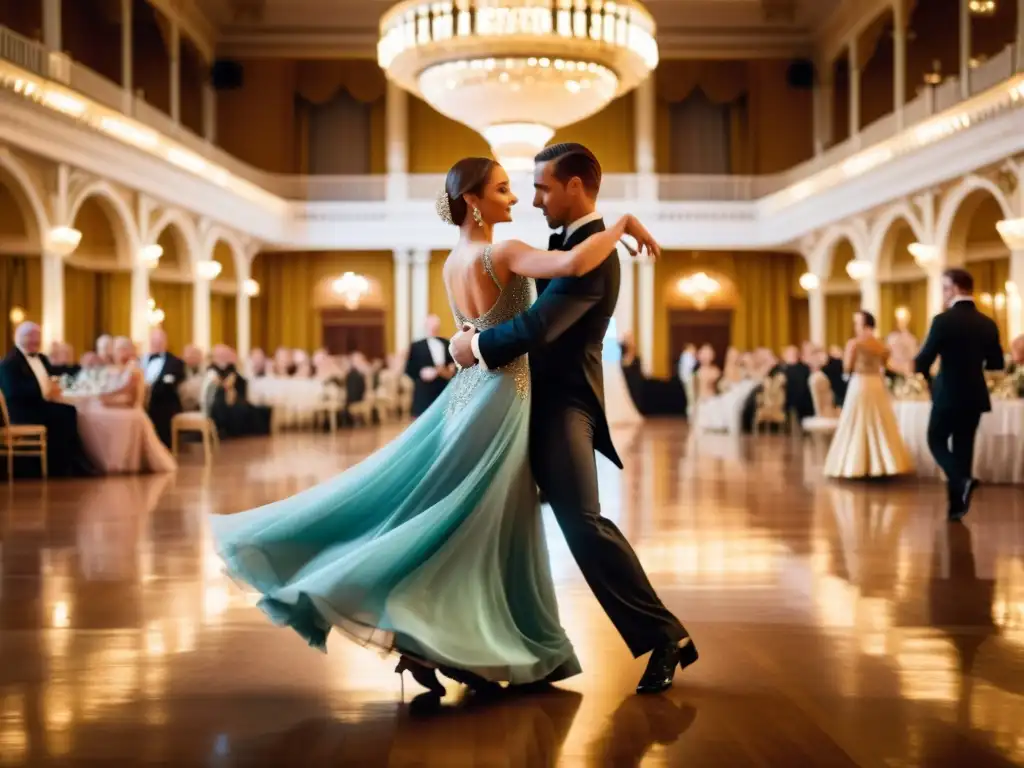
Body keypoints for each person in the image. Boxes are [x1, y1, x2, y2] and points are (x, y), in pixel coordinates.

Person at [210, 154, 661, 699]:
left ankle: (440, 640)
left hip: (471, 393)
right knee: (471, 522)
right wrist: (624, 224)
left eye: (529, 189)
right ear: (473, 200)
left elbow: (495, 327)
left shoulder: (454, 260)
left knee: (458, 516)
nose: (519, 198)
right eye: (504, 189)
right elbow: (557, 286)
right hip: (503, 393)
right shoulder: (508, 251)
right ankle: (445, 639)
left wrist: (469, 343)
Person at [450, 143, 695, 695]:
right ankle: (479, 645)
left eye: (542, 187)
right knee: (488, 520)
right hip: (524, 402)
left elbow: (538, 327)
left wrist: (476, 345)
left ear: (576, 187)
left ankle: (663, 636)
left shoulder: (595, 254)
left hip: (565, 404)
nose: (534, 199)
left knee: (582, 524)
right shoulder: (576, 245)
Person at [914, 268, 1004, 521]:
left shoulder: (942, 321)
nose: (942, 294)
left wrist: (929, 378)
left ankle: (962, 480)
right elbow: (996, 363)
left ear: (954, 288)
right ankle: (956, 508)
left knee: (936, 439)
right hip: (975, 394)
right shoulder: (988, 323)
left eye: (944, 288)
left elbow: (923, 361)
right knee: (964, 447)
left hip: (947, 395)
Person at [823, 310, 913, 479]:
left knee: (855, 421)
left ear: (863, 324)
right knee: (880, 422)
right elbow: (886, 365)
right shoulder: (882, 345)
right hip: (876, 384)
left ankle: (855, 464)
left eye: (857, 323)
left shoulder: (854, 344)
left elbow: (847, 367)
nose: (855, 327)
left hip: (860, 383)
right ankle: (885, 464)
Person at [0, 322, 94, 476]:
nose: (35, 341)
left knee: (68, 411)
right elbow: (13, 392)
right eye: (30, 337)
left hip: (40, 406)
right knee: (65, 414)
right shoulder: (9, 363)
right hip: (22, 411)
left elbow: (51, 377)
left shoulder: (42, 358)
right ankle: (62, 466)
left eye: (37, 337)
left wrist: (54, 385)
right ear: (18, 338)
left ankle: (67, 463)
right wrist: (45, 390)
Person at [405, 315, 456, 417]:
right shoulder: (416, 346)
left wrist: (448, 371)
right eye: (431, 327)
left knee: (442, 416)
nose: (434, 329)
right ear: (426, 327)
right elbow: (409, 369)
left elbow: (452, 364)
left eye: (436, 327)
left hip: (442, 386)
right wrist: (422, 374)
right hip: (423, 390)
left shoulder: (446, 343)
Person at [144, 329, 186, 447]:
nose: (156, 344)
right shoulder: (141, 360)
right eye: (154, 341)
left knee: (161, 408)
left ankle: (160, 447)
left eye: (159, 342)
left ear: (166, 343)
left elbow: (171, 384)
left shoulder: (176, 362)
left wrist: (151, 392)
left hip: (164, 401)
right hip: (141, 399)